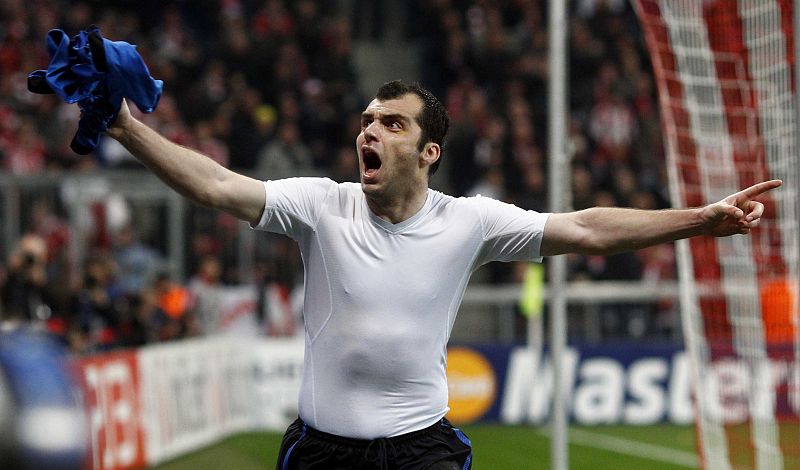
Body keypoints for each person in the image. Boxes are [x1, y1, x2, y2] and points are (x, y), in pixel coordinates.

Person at [102, 80, 780, 469]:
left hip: (421, 454)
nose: (370, 131)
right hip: (321, 455)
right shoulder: (320, 203)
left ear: (427, 152)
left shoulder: (470, 222)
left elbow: (585, 228)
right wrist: (125, 127)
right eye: (367, 121)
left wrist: (699, 219)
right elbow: (217, 185)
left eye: (390, 124)